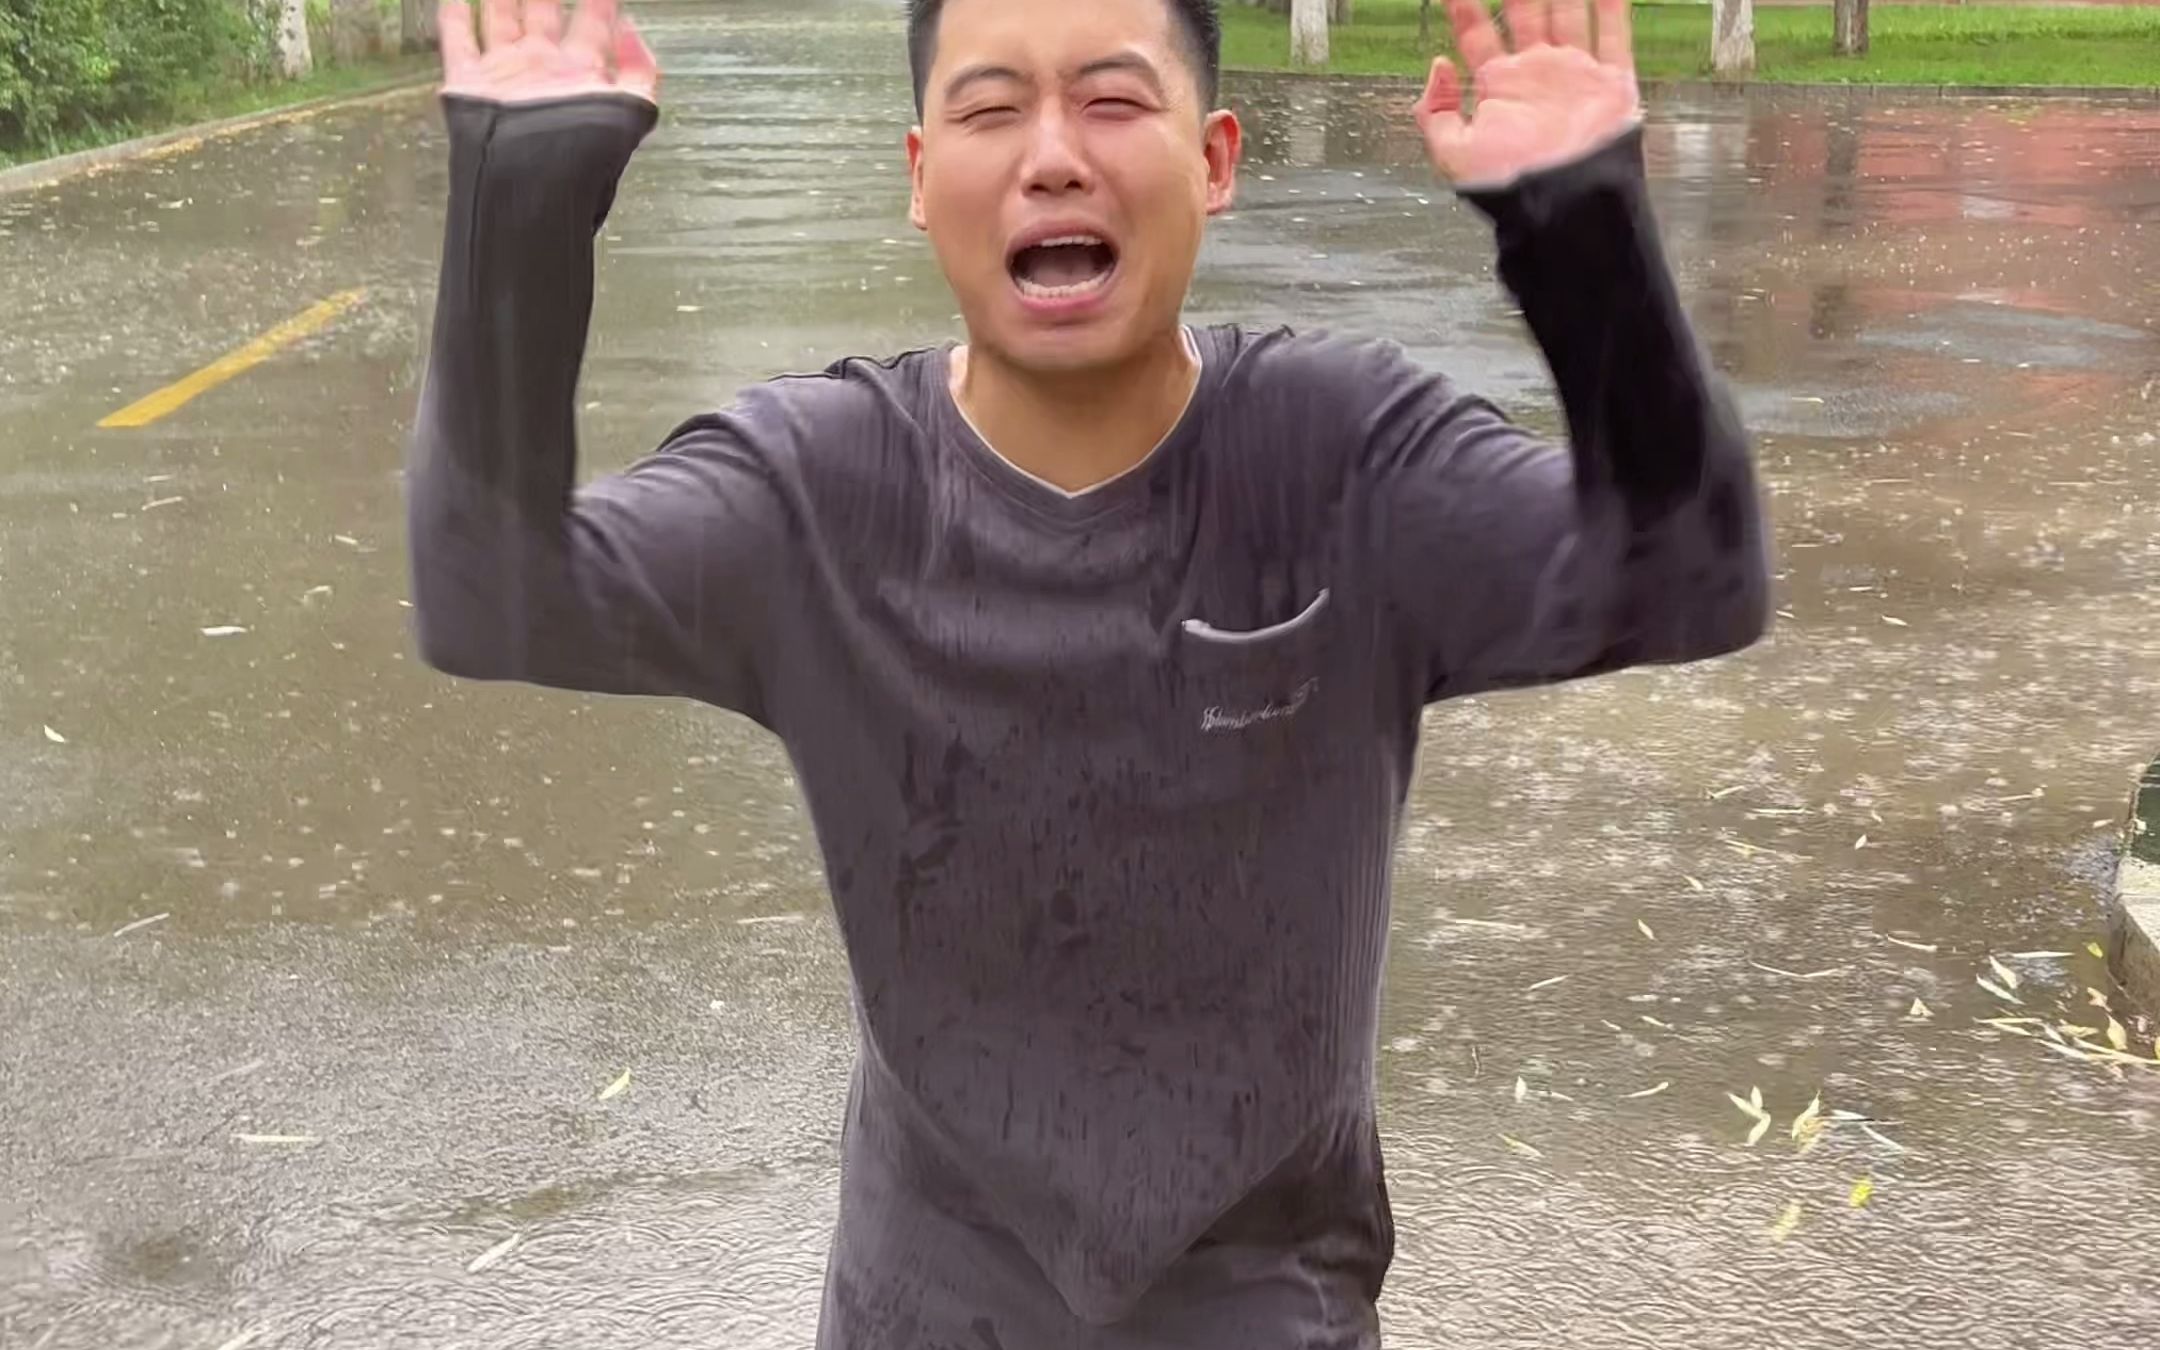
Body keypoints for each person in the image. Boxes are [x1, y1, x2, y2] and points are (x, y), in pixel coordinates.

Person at [408, 0, 1770, 1343]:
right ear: (920, 177)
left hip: (1269, 1302)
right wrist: (518, 207)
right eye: (991, 109)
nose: (1053, 156)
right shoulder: (819, 493)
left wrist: (1582, 226)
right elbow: (496, 595)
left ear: (1216, 159)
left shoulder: (1339, 460)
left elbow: (1681, 574)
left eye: (1113, 100)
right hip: (923, 1306)